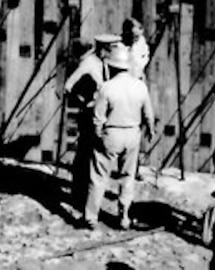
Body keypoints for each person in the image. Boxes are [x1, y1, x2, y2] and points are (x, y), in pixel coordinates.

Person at [81, 42, 154, 229]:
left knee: (98, 177)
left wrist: (98, 135)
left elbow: (98, 117)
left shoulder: (107, 88)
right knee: (127, 178)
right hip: (132, 133)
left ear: (111, 66)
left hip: (111, 133)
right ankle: (124, 217)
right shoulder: (140, 87)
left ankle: (91, 217)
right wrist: (150, 131)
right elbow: (148, 114)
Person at [62, 33, 119, 220]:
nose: (113, 51)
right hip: (89, 115)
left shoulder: (106, 64)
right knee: (85, 156)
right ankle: (78, 196)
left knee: (93, 158)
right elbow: (68, 86)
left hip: (101, 115)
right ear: (103, 48)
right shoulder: (89, 63)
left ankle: (85, 197)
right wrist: (83, 101)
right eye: (111, 48)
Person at [119, 15, 150, 80]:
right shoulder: (120, 46)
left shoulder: (141, 42)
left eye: (137, 37)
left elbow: (143, 60)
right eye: (133, 36)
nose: (135, 39)